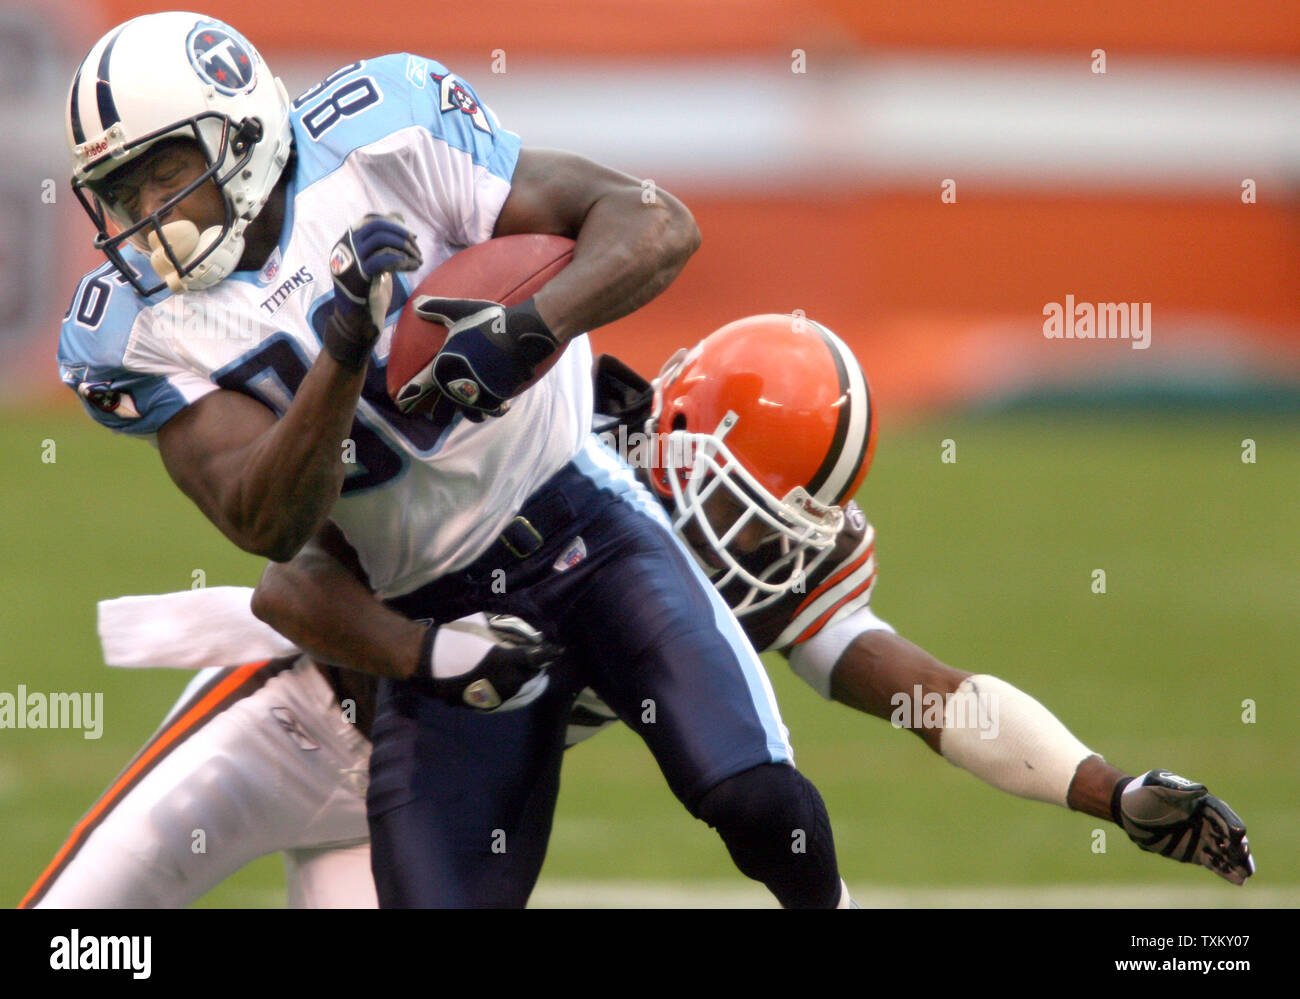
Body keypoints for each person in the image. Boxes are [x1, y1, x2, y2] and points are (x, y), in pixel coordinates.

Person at [27, 316, 1252, 908]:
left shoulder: (730, 570)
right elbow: (294, 577)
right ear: (674, 437)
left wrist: (1106, 789)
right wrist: (424, 648)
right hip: (294, 715)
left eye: (786, 528)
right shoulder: (540, 440)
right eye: (752, 507)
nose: (757, 548)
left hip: (418, 810)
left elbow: (933, 698)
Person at [56, 12, 847, 908]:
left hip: (585, 522)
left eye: (166, 170)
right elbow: (262, 521)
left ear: (240, 135)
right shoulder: (133, 327)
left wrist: (527, 330)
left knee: (754, 795)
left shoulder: (385, 136)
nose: (146, 214)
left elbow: (653, 222)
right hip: (427, 599)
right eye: (121, 189)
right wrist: (346, 348)